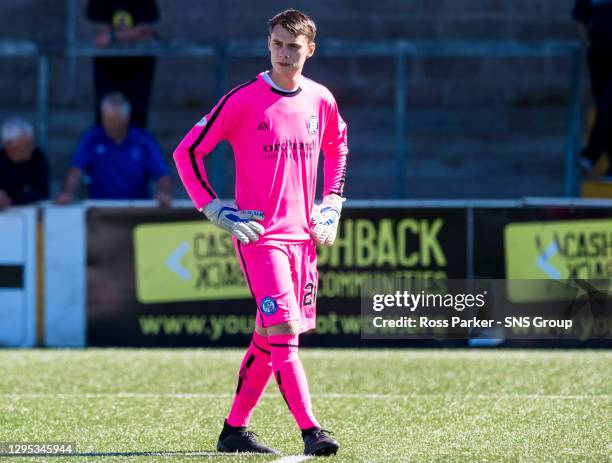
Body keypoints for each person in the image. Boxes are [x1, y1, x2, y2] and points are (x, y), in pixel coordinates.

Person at [173, 9, 347, 457]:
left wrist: (331, 203)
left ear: (310, 49)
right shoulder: (243, 99)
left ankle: (234, 431)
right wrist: (212, 206)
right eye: (277, 44)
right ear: (267, 44)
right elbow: (187, 151)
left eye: (293, 46)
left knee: (269, 341)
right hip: (260, 237)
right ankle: (313, 433)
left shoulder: (321, 99)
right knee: (284, 331)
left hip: (303, 239)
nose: (284, 53)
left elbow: (338, 147)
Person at [55, 92, 171, 206]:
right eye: (105, 119)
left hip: (136, 209)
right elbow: (75, 170)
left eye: (113, 120)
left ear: (126, 119)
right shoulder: (92, 138)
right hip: (100, 211)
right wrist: (67, 192)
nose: (108, 125)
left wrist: (163, 193)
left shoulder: (144, 141)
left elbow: (162, 175)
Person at [87, 0, 159, 129]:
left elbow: (147, 30)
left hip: (139, 66)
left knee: (137, 118)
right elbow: (98, 33)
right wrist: (131, 34)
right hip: (107, 66)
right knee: (105, 116)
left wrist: (114, 35)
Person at [573, 0, 612, 177]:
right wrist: (589, 44)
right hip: (598, 57)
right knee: (605, 109)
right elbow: (581, 18)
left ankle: (591, 155)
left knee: (608, 105)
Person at [0, 117, 49, 210]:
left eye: (33, 143)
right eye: (27, 144)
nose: (32, 148)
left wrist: (11, 200)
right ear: (9, 145)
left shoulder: (38, 158)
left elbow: (42, 192)